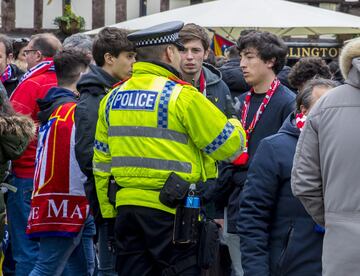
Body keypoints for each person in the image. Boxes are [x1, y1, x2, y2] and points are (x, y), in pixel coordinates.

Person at [93, 21, 246, 276]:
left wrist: (109, 214)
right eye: (179, 49)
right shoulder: (182, 96)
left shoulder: (112, 98)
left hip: (126, 210)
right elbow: (229, 147)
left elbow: (101, 163)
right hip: (173, 214)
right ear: (169, 53)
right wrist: (234, 122)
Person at [211, 31, 295, 273]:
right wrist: (219, 207)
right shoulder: (242, 100)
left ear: (270, 61)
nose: (242, 64)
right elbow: (228, 153)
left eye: (249, 57)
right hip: (236, 204)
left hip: (269, 208)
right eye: (241, 57)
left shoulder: (287, 103)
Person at [238, 78, 336, 276]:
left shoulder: (346, 148)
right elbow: (253, 216)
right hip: (290, 265)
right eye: (322, 107)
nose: (330, 115)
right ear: (304, 110)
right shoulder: (274, 148)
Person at [291, 37, 360, 276]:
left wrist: (336, 219)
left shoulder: (325, 105)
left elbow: (303, 182)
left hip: (345, 250)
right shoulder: (327, 105)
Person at [26, 48, 94, 276]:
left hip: (60, 200)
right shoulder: (69, 111)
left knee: (80, 268)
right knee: (47, 267)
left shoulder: (55, 106)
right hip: (65, 201)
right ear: (83, 76)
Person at [75, 27, 136, 276]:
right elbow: (87, 155)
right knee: (110, 269)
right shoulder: (94, 97)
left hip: (123, 199)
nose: (134, 63)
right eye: (129, 56)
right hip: (109, 200)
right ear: (110, 58)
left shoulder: (115, 90)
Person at [8, 33, 61, 275]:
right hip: (60, 179)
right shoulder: (66, 79)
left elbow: (14, 132)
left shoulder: (32, 84)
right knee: (55, 254)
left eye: (27, 52)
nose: (25, 56)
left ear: (38, 55)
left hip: (28, 174)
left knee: (27, 251)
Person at [179, 23, 235, 118]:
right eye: (183, 50)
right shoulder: (163, 84)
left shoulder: (220, 87)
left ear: (206, 54)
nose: (189, 57)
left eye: (195, 50)